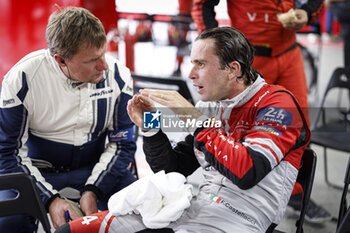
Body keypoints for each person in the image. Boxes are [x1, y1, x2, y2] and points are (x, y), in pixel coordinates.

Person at [55, 26, 310, 233]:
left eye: (200, 64)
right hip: (192, 206)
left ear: (233, 69)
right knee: (70, 232)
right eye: (192, 63)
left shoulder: (278, 104)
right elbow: (173, 169)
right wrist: (151, 126)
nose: (190, 74)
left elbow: (247, 171)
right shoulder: (210, 107)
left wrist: (192, 117)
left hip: (242, 219)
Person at [191, 0, 332, 223]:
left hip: (289, 53)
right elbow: (202, 5)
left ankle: (295, 194)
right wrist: (216, 49)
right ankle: (232, 195)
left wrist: (306, 12)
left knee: (299, 126)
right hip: (249, 58)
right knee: (239, 124)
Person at [0, 6, 136, 232]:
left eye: (103, 53)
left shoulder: (119, 75)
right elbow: (7, 152)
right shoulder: (21, 79)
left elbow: (123, 144)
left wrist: (94, 189)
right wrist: (49, 199)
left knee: (142, 211)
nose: (104, 65)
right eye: (92, 60)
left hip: (93, 168)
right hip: (35, 170)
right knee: (8, 223)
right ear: (61, 60)